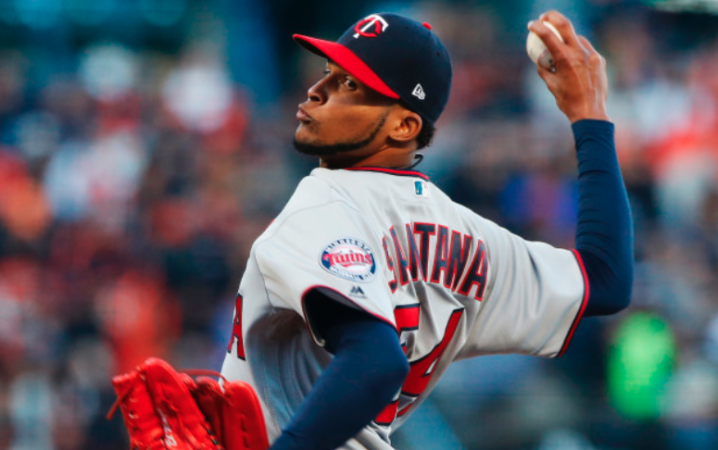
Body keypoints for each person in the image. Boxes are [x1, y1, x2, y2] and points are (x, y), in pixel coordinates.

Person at [220, 10, 633, 450]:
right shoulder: (466, 235)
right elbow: (605, 281)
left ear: (404, 126)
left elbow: (376, 360)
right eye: (328, 73)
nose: (316, 91)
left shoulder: (324, 204)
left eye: (349, 85)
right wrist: (589, 118)